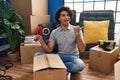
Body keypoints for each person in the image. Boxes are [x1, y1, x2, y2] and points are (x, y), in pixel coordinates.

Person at [34, 6, 86, 80]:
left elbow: (82, 49)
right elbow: (49, 50)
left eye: (68, 15)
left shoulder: (76, 29)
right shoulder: (54, 32)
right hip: (59, 56)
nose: (66, 17)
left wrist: (77, 34)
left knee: (79, 66)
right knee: (37, 55)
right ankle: (60, 68)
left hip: (73, 58)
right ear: (59, 18)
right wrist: (41, 41)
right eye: (63, 15)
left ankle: (53, 67)